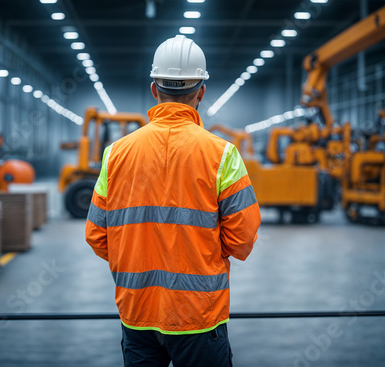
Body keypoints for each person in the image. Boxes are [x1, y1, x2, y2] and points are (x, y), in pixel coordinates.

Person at [85, 34, 261, 367]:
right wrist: (201, 252)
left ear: (154, 89)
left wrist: (135, 253)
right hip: (199, 317)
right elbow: (243, 240)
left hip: (137, 314)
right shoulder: (223, 155)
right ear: (202, 91)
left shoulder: (115, 154)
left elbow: (96, 235)